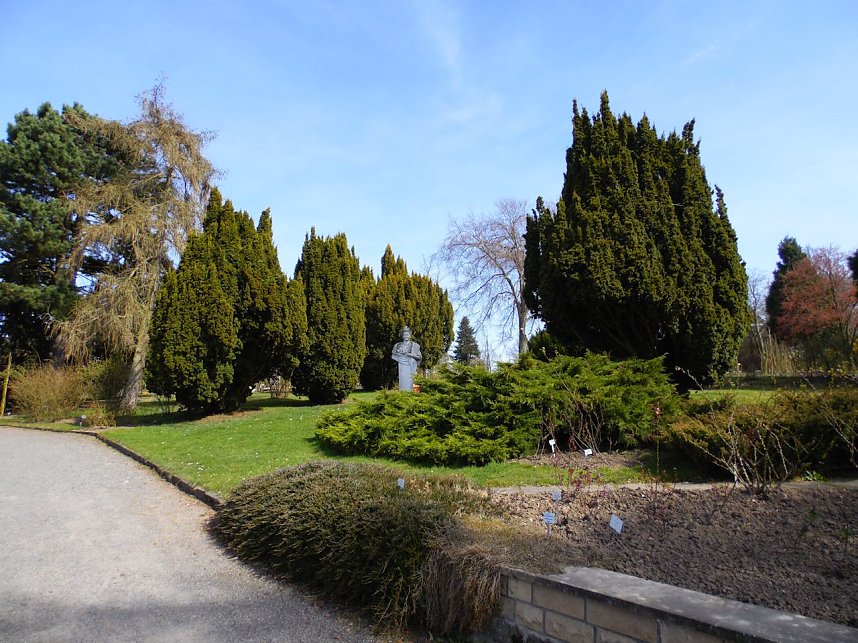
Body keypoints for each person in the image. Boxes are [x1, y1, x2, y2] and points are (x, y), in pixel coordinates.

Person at [391, 326, 422, 391]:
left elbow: (419, 357)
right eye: (404, 335)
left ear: (410, 335)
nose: (406, 336)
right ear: (402, 336)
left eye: (407, 335)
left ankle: (408, 396)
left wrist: (411, 355)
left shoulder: (414, 345)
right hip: (402, 366)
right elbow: (393, 355)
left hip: (410, 366)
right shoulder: (397, 345)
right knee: (402, 381)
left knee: (409, 381)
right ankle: (402, 395)